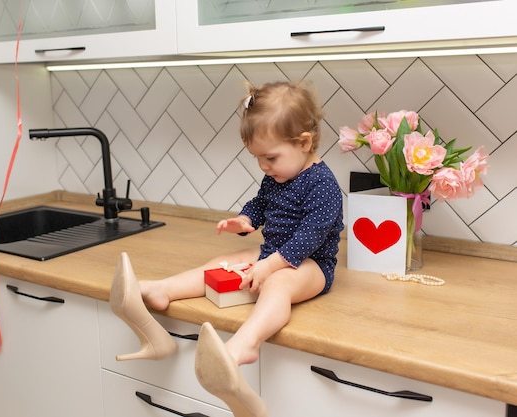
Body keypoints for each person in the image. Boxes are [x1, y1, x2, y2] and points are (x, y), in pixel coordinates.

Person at [110, 81, 344, 417]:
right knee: (226, 261)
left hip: (313, 266)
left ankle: (245, 345)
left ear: (304, 143)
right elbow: (261, 203)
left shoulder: (323, 185)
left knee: (278, 283)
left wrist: (269, 267)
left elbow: (310, 236)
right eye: (258, 159)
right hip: (275, 251)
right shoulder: (277, 176)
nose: (264, 166)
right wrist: (245, 219)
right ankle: (160, 290)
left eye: (270, 157)